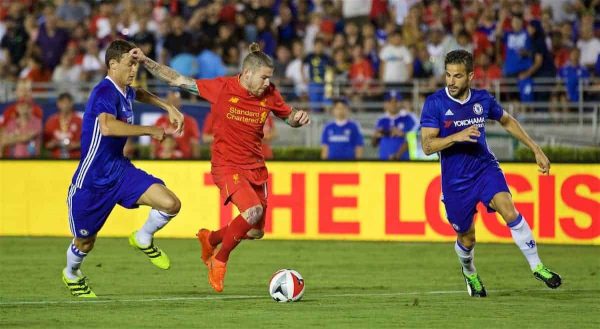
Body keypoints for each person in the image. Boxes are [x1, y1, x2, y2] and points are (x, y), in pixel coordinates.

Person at [130, 42, 310, 293]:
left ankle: (211, 238)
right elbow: (178, 80)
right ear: (247, 73)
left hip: (255, 167)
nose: (268, 83)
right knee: (253, 211)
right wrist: (146, 60)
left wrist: (297, 119)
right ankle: (220, 260)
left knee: (256, 231)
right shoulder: (223, 87)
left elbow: (288, 117)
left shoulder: (270, 94)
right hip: (227, 164)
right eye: (264, 77)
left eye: (270, 78)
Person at [420, 50, 561, 297]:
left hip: (484, 168)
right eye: (448, 75)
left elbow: (507, 121)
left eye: (458, 76)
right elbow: (428, 146)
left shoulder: (483, 100)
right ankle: (470, 272)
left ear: (471, 76)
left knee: (509, 209)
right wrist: (456, 137)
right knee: (467, 237)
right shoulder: (435, 103)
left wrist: (535, 149)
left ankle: (537, 266)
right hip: (456, 181)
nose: (451, 81)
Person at [62, 40, 184, 298]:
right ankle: (72, 274)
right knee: (85, 241)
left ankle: (143, 238)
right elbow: (107, 127)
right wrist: (148, 129)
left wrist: (167, 106)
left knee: (170, 204)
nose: (133, 71)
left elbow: (139, 92)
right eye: (130, 65)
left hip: (119, 171)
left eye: (136, 66)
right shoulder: (103, 92)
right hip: (92, 181)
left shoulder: (125, 88)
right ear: (113, 64)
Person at [151, 91, 201, 159]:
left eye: (176, 101)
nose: (173, 104)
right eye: (171, 101)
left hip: (184, 161)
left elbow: (195, 145)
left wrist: (196, 163)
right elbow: (154, 144)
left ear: (180, 103)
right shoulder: (159, 121)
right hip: (161, 161)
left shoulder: (190, 122)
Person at [372, 90, 417, 160]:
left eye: (396, 101)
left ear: (401, 103)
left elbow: (417, 139)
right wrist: (376, 136)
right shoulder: (380, 120)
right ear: (385, 103)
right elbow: (374, 144)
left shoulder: (409, 118)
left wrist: (403, 134)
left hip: (404, 162)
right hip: (383, 163)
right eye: (390, 101)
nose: (393, 104)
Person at [44, 92, 82, 159]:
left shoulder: (79, 120)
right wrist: (54, 143)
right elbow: (46, 145)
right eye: (62, 102)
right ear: (58, 104)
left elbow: (87, 141)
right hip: (55, 159)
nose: (65, 105)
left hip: (75, 158)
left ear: (71, 103)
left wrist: (75, 145)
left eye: (67, 102)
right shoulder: (51, 121)